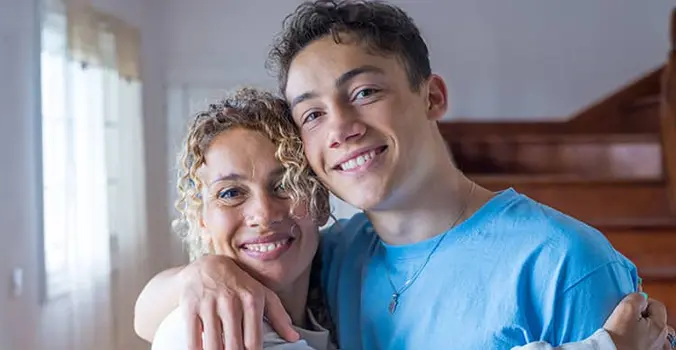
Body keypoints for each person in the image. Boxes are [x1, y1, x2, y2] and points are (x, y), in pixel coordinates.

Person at [143, 88, 674, 350]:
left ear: (322, 197)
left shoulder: (339, 261)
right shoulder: (211, 330)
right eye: (231, 193)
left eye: (286, 185)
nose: (263, 213)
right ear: (201, 216)